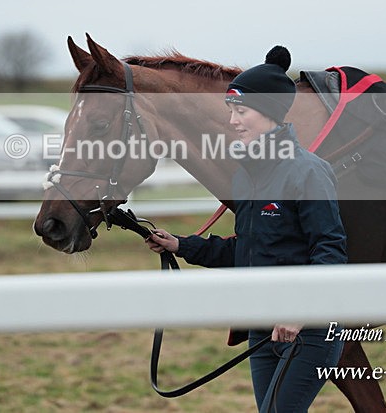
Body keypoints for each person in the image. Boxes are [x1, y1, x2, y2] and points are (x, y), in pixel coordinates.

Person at [146, 46, 348, 412]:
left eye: (242, 111)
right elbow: (246, 249)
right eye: (231, 112)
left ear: (269, 113)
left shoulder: (308, 171)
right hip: (262, 324)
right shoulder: (246, 177)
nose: (233, 121)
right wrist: (180, 245)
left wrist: (301, 312)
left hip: (309, 329)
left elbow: (330, 251)